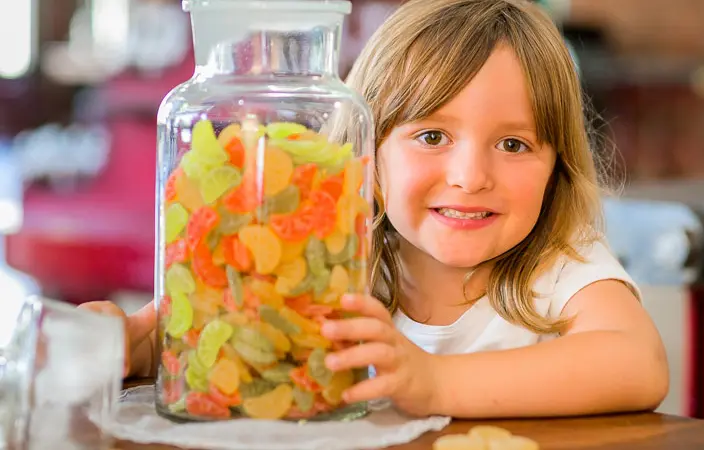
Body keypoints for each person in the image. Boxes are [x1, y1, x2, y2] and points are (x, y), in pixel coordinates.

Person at [80, 0, 669, 419]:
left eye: (513, 145)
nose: (470, 177)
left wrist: (436, 382)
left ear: (556, 166)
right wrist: (133, 346)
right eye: (432, 137)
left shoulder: (557, 265)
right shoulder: (334, 254)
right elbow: (228, 335)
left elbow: (636, 362)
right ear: (366, 152)